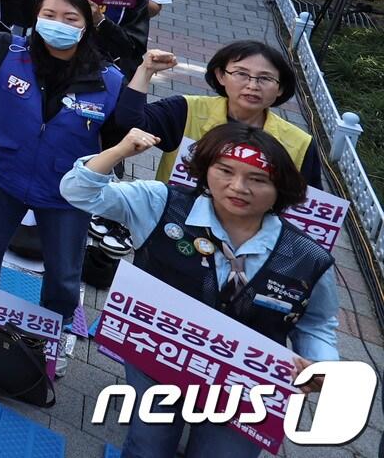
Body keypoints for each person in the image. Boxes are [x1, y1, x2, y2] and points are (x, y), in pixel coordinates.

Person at [61, 121, 337, 458]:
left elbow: (318, 323)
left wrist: (321, 365)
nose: (238, 187)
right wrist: (118, 151)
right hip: (160, 356)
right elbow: (78, 191)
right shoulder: (162, 203)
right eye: (225, 170)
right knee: (150, 444)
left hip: (248, 383)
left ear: (282, 190)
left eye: (258, 180)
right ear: (205, 169)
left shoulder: (309, 258)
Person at [0, 0, 133, 374]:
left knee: (63, 272)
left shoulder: (108, 80)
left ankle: (51, 335)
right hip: (3, 173)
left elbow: (115, 138)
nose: (58, 24)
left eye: (70, 18)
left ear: (86, 25)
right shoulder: (6, 50)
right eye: (49, 15)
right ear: (36, 17)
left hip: (67, 190)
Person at [125, 41, 322, 187]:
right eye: (241, 74)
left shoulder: (300, 144)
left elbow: (305, 209)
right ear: (220, 76)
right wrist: (145, 70)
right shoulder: (187, 110)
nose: (252, 85)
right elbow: (129, 123)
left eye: (265, 78)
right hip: (173, 228)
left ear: (280, 88)